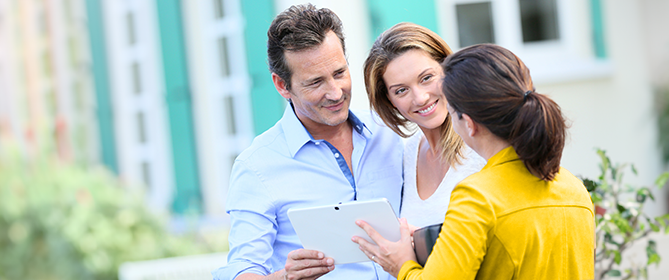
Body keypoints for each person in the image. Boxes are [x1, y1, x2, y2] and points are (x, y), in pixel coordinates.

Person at [352, 44, 596, 279]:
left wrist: (403, 266)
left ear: (468, 124)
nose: (421, 97)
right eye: (401, 90)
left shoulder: (477, 197)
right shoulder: (574, 188)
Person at [212, 4, 403, 280]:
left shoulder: (391, 133)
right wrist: (285, 277)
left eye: (339, 73)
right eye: (315, 82)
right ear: (282, 85)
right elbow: (241, 268)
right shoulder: (257, 166)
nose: (335, 92)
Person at [363, 22, 485, 228]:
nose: (420, 98)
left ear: (448, 68)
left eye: (426, 78)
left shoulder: (483, 143)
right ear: (389, 100)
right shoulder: (408, 153)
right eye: (401, 90)